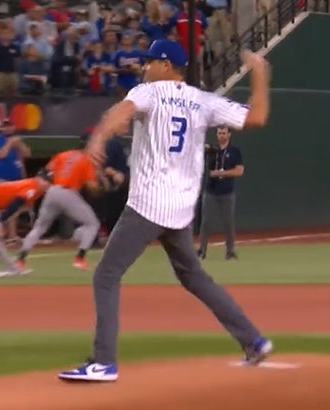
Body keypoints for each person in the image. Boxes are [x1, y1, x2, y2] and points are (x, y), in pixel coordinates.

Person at [57, 39, 272, 382]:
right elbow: (257, 116)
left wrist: (98, 138)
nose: (145, 67)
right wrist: (260, 73)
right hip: (181, 208)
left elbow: (121, 113)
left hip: (147, 205)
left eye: (150, 61)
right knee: (194, 277)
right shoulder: (203, 101)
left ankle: (103, 362)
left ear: (167, 66)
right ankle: (254, 341)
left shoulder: (150, 92)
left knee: (106, 275)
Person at [17, 140, 101, 270]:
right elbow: (92, 187)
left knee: (39, 228)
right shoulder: (86, 159)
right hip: (68, 193)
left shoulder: (63, 154)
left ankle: (20, 259)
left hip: (53, 190)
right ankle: (80, 258)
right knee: (93, 224)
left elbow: (45, 172)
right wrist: (101, 181)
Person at [0, 169, 52, 278]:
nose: (47, 183)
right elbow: (15, 204)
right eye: (45, 180)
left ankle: (12, 269)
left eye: (49, 181)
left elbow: (17, 206)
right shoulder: (33, 187)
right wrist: (0, 222)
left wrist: (1, 222)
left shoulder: (36, 190)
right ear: (38, 178)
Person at [197, 126, 244, 260]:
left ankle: (230, 251)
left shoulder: (235, 151)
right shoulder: (212, 151)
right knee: (206, 222)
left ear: (229, 135)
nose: (221, 135)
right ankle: (201, 250)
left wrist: (221, 173)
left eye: (224, 133)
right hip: (210, 191)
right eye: (219, 133)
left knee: (228, 223)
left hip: (227, 192)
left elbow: (239, 171)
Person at [0, 119, 31, 243]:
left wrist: (19, 145)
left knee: (14, 208)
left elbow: (27, 155)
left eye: (9, 126)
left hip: (15, 180)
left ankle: (12, 236)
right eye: (5, 126)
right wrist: (9, 143)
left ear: (13, 127)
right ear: (1, 128)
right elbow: (1, 154)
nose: (7, 129)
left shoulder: (17, 140)